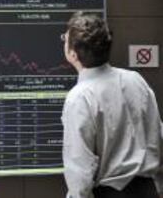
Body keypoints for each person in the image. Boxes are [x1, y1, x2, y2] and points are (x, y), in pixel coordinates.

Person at [61, 11, 163, 198]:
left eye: (65, 40)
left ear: (73, 54)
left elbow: (79, 171)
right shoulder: (135, 80)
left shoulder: (79, 97)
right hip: (148, 191)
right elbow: (156, 137)